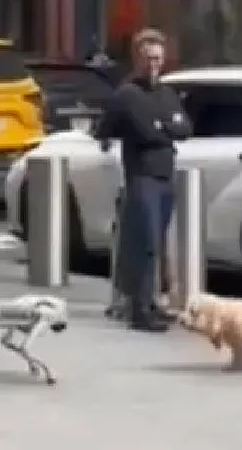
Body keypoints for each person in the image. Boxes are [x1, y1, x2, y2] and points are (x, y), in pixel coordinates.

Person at [94, 28, 192, 333]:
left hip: (165, 175)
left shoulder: (166, 93)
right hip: (142, 176)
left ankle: (150, 303)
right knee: (145, 242)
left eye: (158, 59)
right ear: (137, 58)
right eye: (149, 58)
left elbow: (185, 128)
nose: (154, 64)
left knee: (158, 243)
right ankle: (139, 310)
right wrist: (163, 128)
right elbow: (111, 130)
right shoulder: (127, 94)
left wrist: (162, 126)